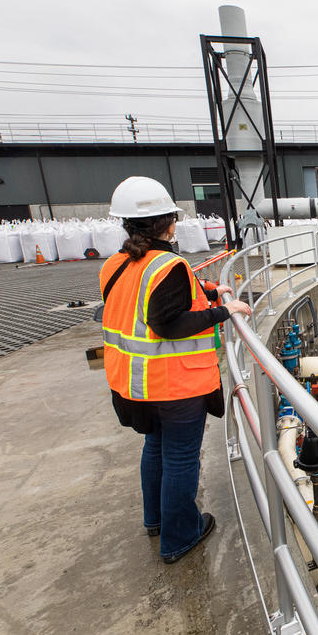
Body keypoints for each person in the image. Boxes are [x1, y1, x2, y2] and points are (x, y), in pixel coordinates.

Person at [99, 176, 251, 564]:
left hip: (133, 384)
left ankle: (155, 520)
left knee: (155, 448)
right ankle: (179, 536)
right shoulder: (169, 264)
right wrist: (223, 310)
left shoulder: (116, 264)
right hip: (175, 385)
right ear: (168, 223)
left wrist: (211, 292)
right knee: (182, 458)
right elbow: (168, 321)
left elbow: (149, 300)